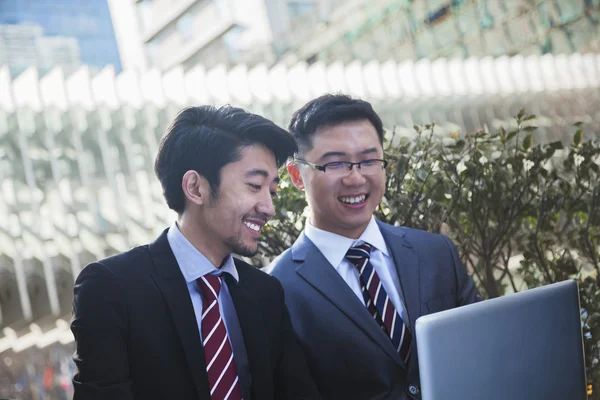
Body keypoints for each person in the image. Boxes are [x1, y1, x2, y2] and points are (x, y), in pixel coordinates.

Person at [71, 105, 321, 400]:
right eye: (254, 186)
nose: (268, 207)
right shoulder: (111, 288)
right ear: (195, 187)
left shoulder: (265, 292)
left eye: (273, 191)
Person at [269, 94, 481, 400]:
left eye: (369, 160)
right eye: (336, 163)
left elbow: (480, 347)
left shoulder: (436, 252)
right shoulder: (277, 290)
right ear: (296, 175)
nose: (356, 178)